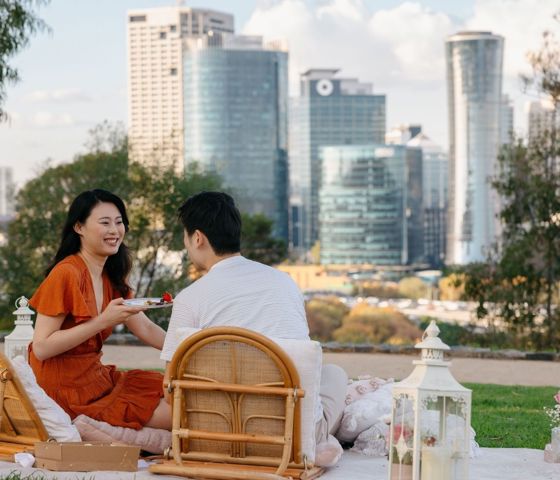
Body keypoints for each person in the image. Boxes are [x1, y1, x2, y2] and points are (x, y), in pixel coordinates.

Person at [160, 191, 348, 463]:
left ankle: (318, 441)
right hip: (288, 436)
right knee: (335, 374)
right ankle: (318, 440)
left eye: (186, 238)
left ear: (197, 238)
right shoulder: (285, 283)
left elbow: (170, 392)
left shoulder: (189, 298)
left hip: (212, 435)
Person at [29, 189, 171, 430]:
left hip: (96, 379)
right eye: (104, 223)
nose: (115, 231)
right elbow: (41, 348)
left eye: (119, 222)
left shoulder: (111, 275)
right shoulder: (66, 273)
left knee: (179, 398)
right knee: (174, 415)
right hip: (63, 390)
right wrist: (102, 321)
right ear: (79, 228)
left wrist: (186, 348)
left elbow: (144, 326)